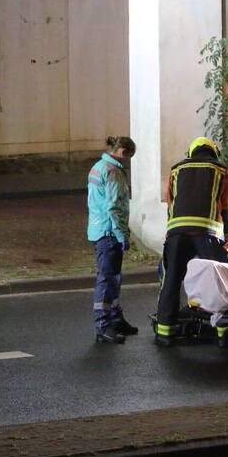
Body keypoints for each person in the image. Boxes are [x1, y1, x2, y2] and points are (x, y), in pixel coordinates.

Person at [154, 137, 228, 347]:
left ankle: (165, 332)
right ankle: (225, 332)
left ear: (191, 152)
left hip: (177, 232)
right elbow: (226, 208)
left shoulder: (176, 169)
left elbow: (170, 203)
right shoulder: (221, 169)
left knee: (171, 279)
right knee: (221, 279)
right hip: (208, 232)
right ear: (213, 152)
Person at [87, 136, 137, 344]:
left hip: (98, 229)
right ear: (123, 151)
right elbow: (114, 207)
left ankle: (116, 319)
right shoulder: (114, 171)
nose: (128, 161)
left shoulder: (98, 166)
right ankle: (103, 326)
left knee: (113, 278)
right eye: (129, 156)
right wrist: (122, 235)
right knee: (108, 280)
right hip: (109, 233)